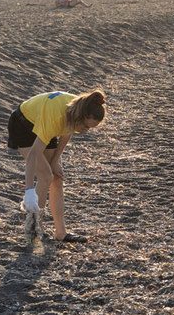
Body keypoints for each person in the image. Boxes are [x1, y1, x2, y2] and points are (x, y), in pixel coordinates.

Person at [8, 89, 107, 244]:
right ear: (83, 117)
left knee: (57, 177)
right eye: (87, 127)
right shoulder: (58, 117)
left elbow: (67, 132)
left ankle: (61, 233)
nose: (86, 131)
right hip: (23, 125)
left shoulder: (80, 107)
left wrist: (55, 160)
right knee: (46, 175)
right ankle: (33, 228)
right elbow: (34, 154)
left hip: (44, 123)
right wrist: (28, 191)